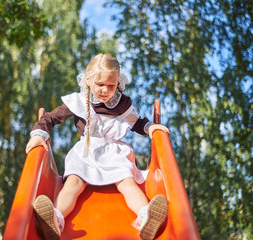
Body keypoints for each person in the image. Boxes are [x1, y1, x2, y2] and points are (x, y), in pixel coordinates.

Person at [26, 54, 170, 240]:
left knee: (127, 184)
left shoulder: (122, 103)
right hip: (86, 152)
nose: (105, 90)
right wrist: (39, 134)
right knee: (73, 184)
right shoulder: (78, 101)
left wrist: (151, 128)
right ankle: (55, 218)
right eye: (100, 84)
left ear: (118, 82)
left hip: (114, 152)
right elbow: (50, 118)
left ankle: (146, 216)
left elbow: (137, 123)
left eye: (111, 85)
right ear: (88, 80)